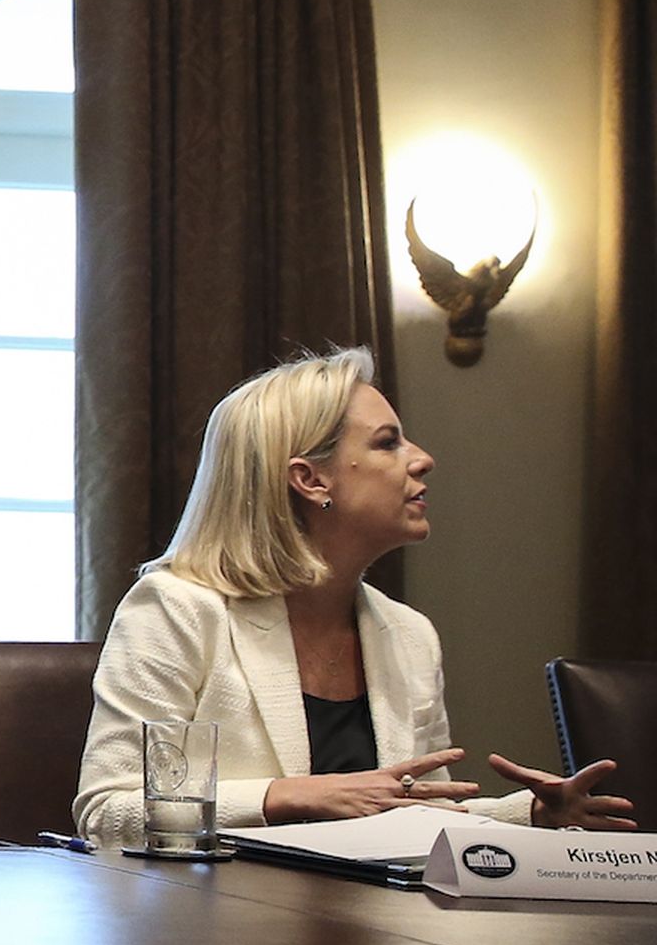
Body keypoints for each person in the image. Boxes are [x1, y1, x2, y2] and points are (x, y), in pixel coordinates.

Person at [73, 347, 634, 847]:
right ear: (310, 480)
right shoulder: (176, 608)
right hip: (215, 937)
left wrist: (531, 814)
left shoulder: (410, 634)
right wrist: (289, 796)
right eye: (388, 443)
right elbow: (107, 812)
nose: (422, 459)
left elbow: (417, 818)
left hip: (375, 935)